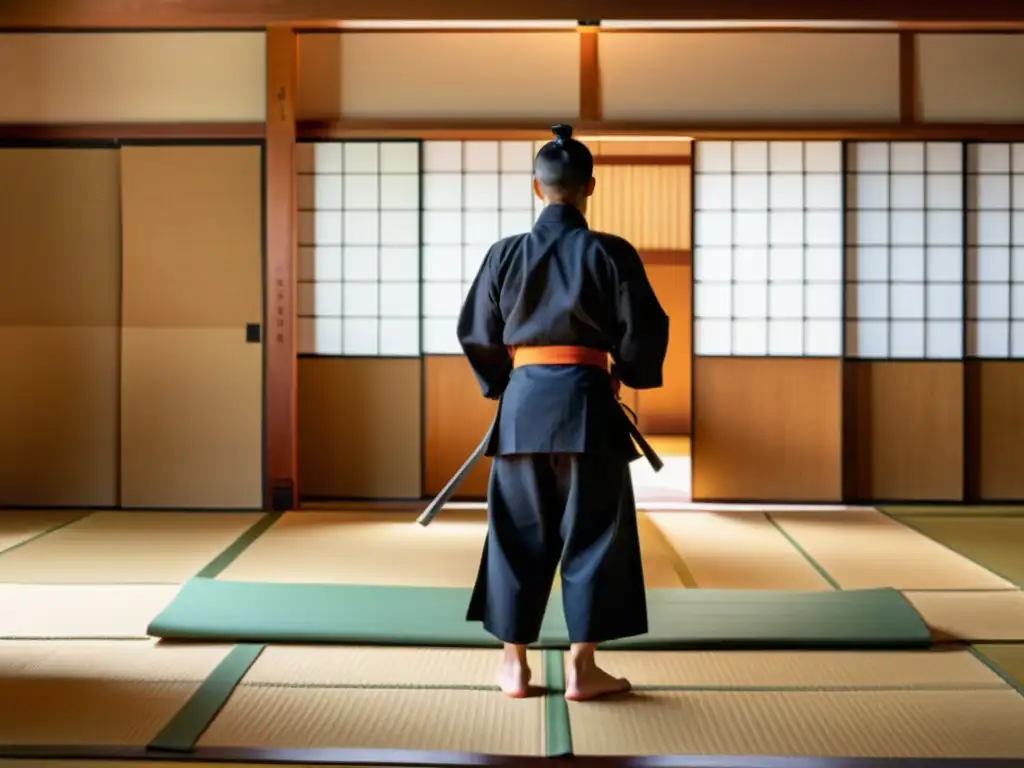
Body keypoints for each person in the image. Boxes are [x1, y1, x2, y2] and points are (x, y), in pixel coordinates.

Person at [456, 124, 670, 702]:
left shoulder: (505, 254)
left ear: (537, 187)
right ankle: (582, 668)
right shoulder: (611, 253)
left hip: (524, 408)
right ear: (590, 187)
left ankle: (514, 666)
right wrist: (624, 369)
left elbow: (476, 330)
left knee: (515, 536)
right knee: (596, 534)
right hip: (588, 406)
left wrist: (507, 383)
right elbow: (645, 330)